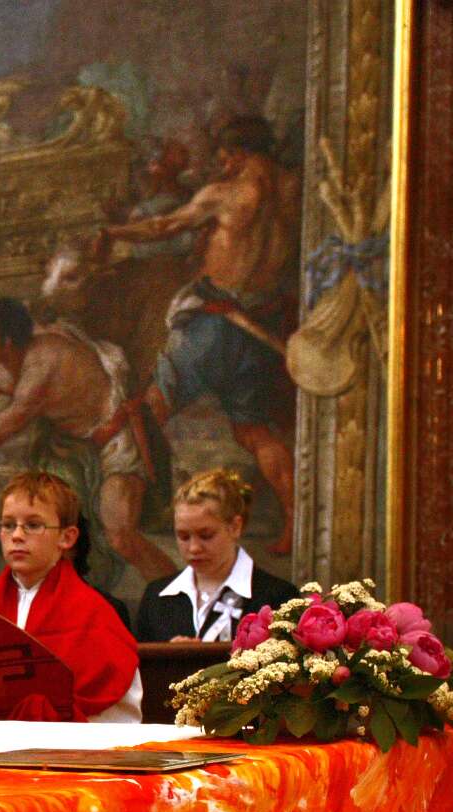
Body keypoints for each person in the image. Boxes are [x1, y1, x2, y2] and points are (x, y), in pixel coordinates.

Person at [101, 114, 302, 555]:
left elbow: (162, 227)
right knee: (255, 432)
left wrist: (111, 232)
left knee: (149, 407)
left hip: (212, 323)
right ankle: (294, 525)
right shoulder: (293, 189)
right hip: (260, 323)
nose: (222, 165)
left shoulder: (225, 195)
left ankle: (138, 513)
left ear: (241, 153)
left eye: (226, 157)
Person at [0, 296, 175, 585]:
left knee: (121, 536)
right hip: (70, 449)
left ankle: (180, 597)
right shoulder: (0, 367)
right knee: (51, 534)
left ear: (7, 342)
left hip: (114, 441)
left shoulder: (43, 364)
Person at [0, 471, 141, 721]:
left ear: (67, 537)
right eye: (8, 525)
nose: (17, 535)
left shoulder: (94, 613)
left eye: (33, 525)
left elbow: (117, 712)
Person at [133, 467, 295, 643]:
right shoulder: (156, 596)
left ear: (235, 527)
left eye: (206, 535)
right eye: (183, 536)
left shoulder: (277, 597)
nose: (194, 548)